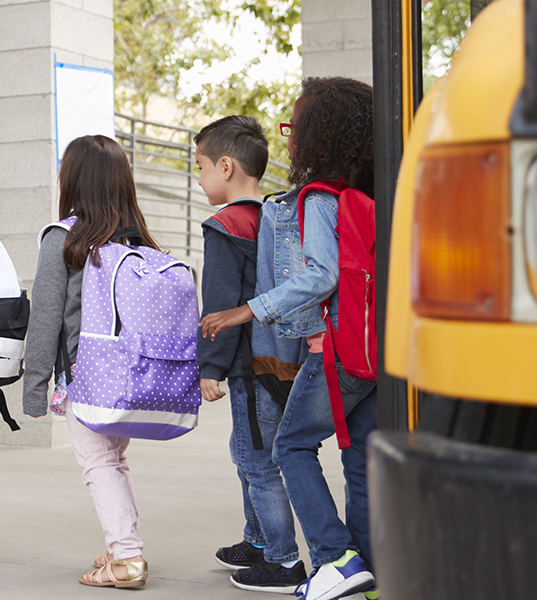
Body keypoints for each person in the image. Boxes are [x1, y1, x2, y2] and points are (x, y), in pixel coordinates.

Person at [200, 77, 379, 600]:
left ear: (321, 135)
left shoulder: (320, 198)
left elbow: (320, 275)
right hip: (377, 349)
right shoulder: (368, 193)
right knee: (359, 457)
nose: (290, 139)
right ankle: (368, 570)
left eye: (295, 127)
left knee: (291, 445)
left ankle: (334, 558)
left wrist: (245, 312)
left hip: (342, 350)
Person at [22, 134, 163, 588]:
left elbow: (44, 319)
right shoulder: (140, 242)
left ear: (73, 180)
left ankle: (127, 558)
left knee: (97, 463)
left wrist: (34, 387)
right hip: (133, 373)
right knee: (113, 460)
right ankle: (120, 545)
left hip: (88, 374)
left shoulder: (63, 239)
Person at [190, 116, 308, 593]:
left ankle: (282, 561)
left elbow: (217, 305)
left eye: (199, 167)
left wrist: (208, 368)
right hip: (282, 357)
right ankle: (256, 540)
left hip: (247, 363)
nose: (198, 179)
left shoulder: (225, 226)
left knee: (258, 460)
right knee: (249, 453)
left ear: (225, 166)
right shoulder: (275, 218)